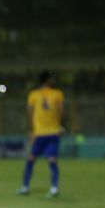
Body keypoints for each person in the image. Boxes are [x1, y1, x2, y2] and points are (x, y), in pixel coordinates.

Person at [19, 70, 64, 198]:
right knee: (52, 160)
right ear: (48, 80)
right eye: (52, 78)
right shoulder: (58, 94)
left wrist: (31, 130)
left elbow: (29, 113)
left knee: (31, 160)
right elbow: (61, 111)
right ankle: (54, 188)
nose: (54, 80)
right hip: (53, 132)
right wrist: (60, 125)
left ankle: (25, 187)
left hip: (39, 132)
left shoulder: (33, 95)